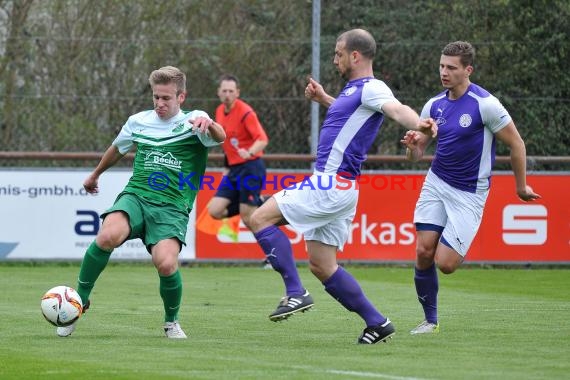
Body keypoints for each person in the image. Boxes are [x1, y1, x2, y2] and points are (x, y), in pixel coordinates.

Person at [248, 28, 438, 343]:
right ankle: (377, 323)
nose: (334, 59)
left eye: (338, 53)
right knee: (322, 265)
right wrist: (324, 98)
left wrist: (419, 123)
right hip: (341, 187)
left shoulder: (373, 87)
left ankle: (295, 292)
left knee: (259, 218)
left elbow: (396, 108)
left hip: (329, 182)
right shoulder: (355, 91)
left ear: (355, 55)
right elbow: (353, 118)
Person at [56, 66, 226, 339]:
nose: (160, 103)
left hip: (172, 205)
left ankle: (171, 322)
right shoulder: (139, 121)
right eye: (156, 97)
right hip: (136, 195)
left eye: (166, 98)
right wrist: (95, 174)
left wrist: (213, 126)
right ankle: (79, 302)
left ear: (181, 97)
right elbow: (117, 148)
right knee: (107, 235)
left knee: (166, 264)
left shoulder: (195, 120)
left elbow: (219, 137)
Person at [400, 41, 541, 335]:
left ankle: (456, 243)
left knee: (446, 264)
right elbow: (417, 156)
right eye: (442, 66)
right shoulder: (433, 106)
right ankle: (430, 321)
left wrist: (521, 185)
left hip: (469, 193)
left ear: (468, 70)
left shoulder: (485, 105)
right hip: (436, 183)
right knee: (424, 251)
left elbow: (516, 143)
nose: (444, 72)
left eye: (451, 67)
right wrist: (412, 148)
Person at [207, 74, 271, 268]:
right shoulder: (219, 112)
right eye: (224, 91)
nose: (227, 94)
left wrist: (249, 152)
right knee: (215, 211)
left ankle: (271, 255)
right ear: (218, 93)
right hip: (234, 170)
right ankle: (260, 202)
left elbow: (262, 140)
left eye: (231, 91)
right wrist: (226, 169)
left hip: (251, 167)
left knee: (248, 217)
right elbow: (226, 144)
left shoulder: (246, 112)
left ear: (238, 93)